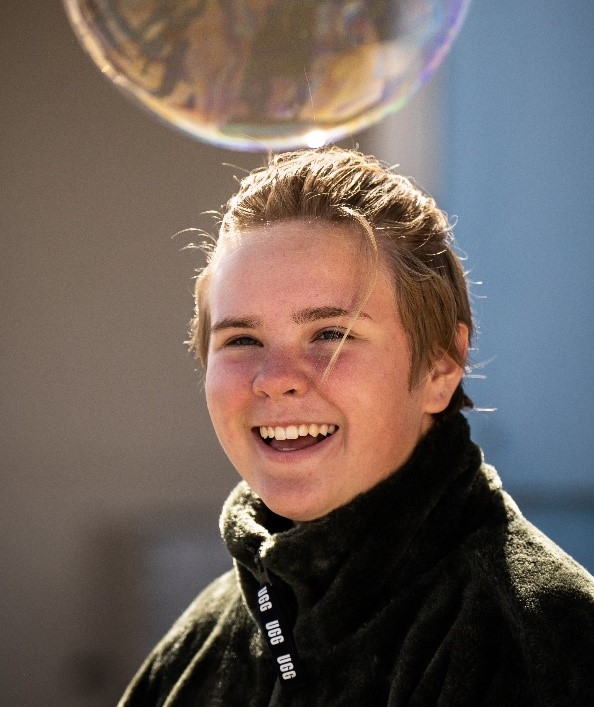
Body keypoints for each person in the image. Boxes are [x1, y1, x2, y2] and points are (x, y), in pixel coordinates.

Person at [118, 147, 594, 706]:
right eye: (241, 340)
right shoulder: (196, 652)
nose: (275, 380)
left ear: (441, 366)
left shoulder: (539, 645)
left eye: (329, 335)